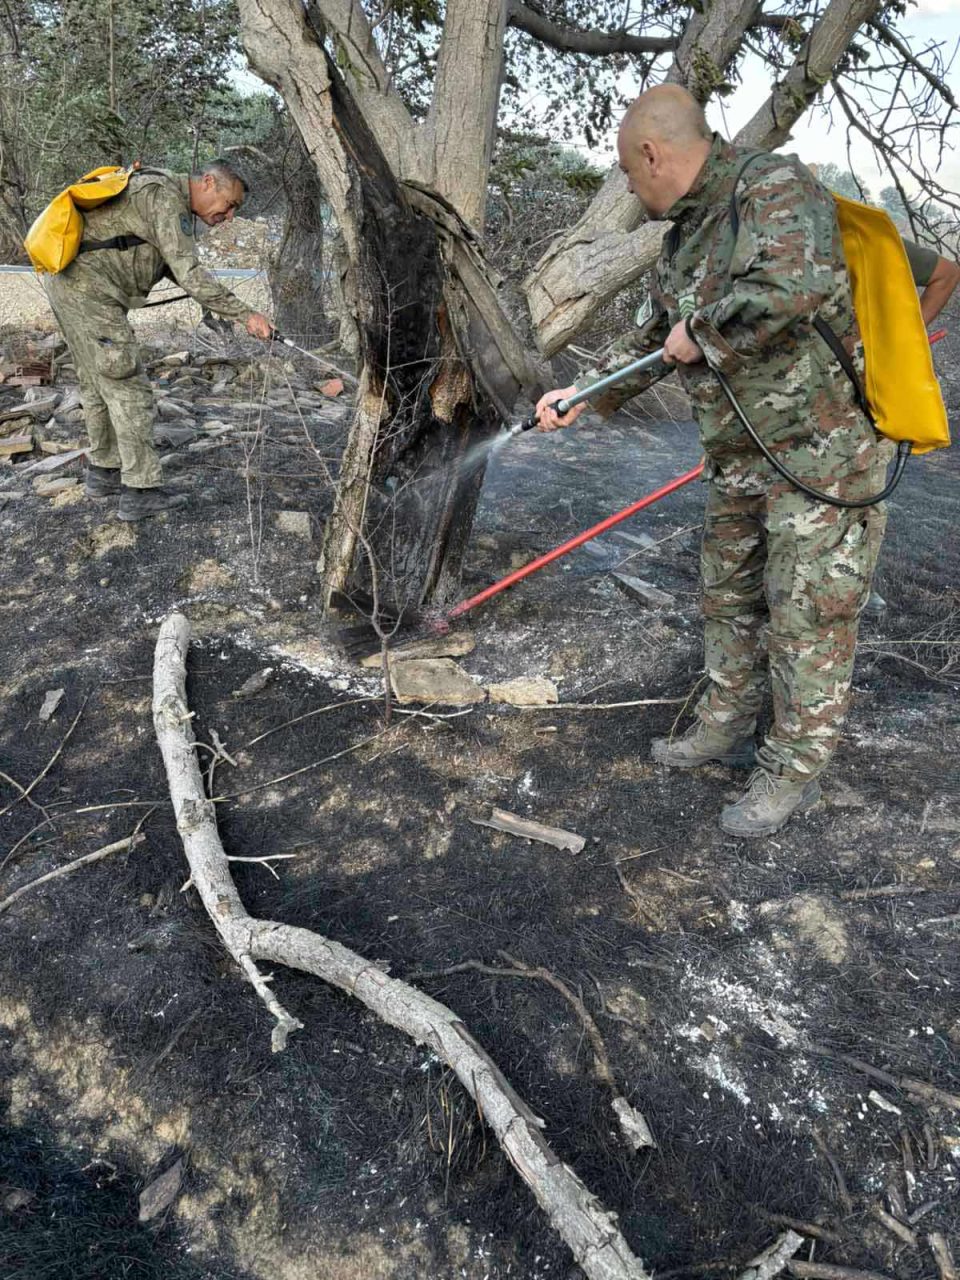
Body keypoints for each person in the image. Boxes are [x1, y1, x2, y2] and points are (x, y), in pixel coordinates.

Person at [536, 84, 899, 838]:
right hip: (739, 460)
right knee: (727, 598)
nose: (630, 191)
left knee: (808, 618)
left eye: (628, 175)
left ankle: (793, 770)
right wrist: (585, 394)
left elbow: (791, 286)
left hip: (820, 461)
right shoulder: (684, 239)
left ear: (652, 154)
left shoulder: (772, 186)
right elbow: (653, 341)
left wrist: (703, 330)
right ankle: (726, 725)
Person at [43, 159, 274, 521]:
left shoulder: (159, 192)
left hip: (70, 287)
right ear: (208, 182)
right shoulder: (165, 197)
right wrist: (247, 314)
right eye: (230, 204)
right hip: (89, 292)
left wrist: (230, 309)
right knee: (127, 386)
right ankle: (140, 492)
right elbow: (190, 273)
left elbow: (171, 266)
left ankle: (104, 472)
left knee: (97, 383)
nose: (229, 216)